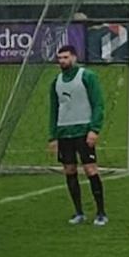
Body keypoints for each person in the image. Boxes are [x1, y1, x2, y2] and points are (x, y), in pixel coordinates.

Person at [48, 45, 108, 226]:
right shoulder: (56, 82)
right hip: (64, 132)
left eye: (65, 57)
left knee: (90, 169)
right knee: (70, 170)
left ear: (74, 57)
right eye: (60, 58)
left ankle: (101, 213)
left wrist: (94, 129)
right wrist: (53, 136)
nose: (62, 61)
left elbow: (98, 104)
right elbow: (54, 109)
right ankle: (79, 212)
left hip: (83, 131)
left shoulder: (87, 76)